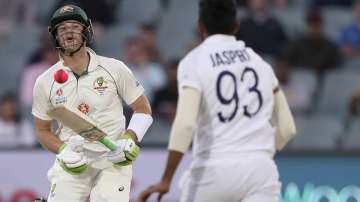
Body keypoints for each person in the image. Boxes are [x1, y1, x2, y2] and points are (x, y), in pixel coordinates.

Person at [138, 0, 296, 202]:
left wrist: (167, 179)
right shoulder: (261, 64)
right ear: (236, 25)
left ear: (200, 26)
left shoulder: (194, 61)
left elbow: (185, 124)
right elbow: (288, 128)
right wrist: (258, 154)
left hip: (214, 169)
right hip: (261, 171)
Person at [32, 5, 153, 202]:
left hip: (113, 160)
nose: (69, 31)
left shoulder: (115, 69)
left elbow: (143, 109)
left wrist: (129, 139)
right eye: (62, 28)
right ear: (54, 36)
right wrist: (63, 150)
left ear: (86, 31)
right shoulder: (45, 81)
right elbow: (42, 130)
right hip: (73, 161)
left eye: (75, 26)